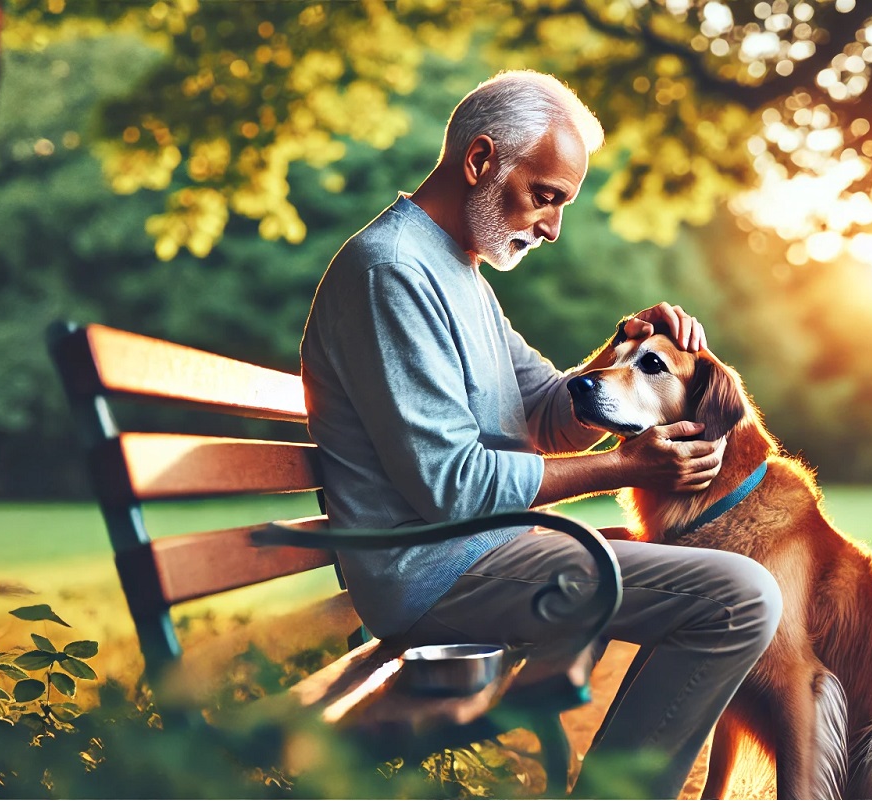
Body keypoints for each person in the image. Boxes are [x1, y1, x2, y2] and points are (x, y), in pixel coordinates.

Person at [301, 70, 781, 797]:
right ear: (480, 161)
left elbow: (551, 414)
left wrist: (627, 342)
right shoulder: (394, 272)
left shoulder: (460, 275)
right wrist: (627, 468)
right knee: (740, 595)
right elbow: (451, 487)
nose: (553, 227)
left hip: (490, 551)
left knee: (710, 575)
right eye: (546, 196)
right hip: (434, 576)